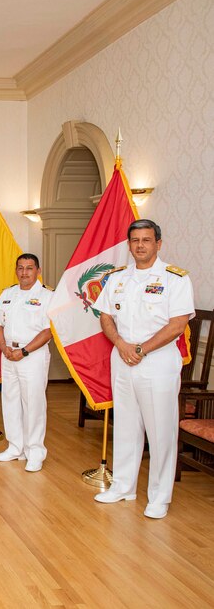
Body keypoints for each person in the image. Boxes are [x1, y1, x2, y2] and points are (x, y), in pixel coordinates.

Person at [92, 219, 194, 519]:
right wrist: (122, 344)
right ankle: (123, 486)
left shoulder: (176, 279)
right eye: (135, 240)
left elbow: (177, 324)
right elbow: (106, 316)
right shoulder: (118, 278)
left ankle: (160, 497)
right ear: (129, 244)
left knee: (160, 430)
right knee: (125, 425)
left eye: (146, 240)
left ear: (158, 244)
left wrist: (141, 349)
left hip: (157, 360)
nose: (140, 245)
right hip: (122, 356)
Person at [0, 253, 53, 471]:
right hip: (8, 353)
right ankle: (15, 446)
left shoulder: (47, 296)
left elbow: (48, 331)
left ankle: (35, 451)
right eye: (20, 268)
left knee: (33, 404)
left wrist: (24, 351)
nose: (24, 272)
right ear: (15, 270)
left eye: (29, 268)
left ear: (38, 270)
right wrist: (3, 348)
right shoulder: (8, 293)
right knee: (10, 400)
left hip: (32, 356)